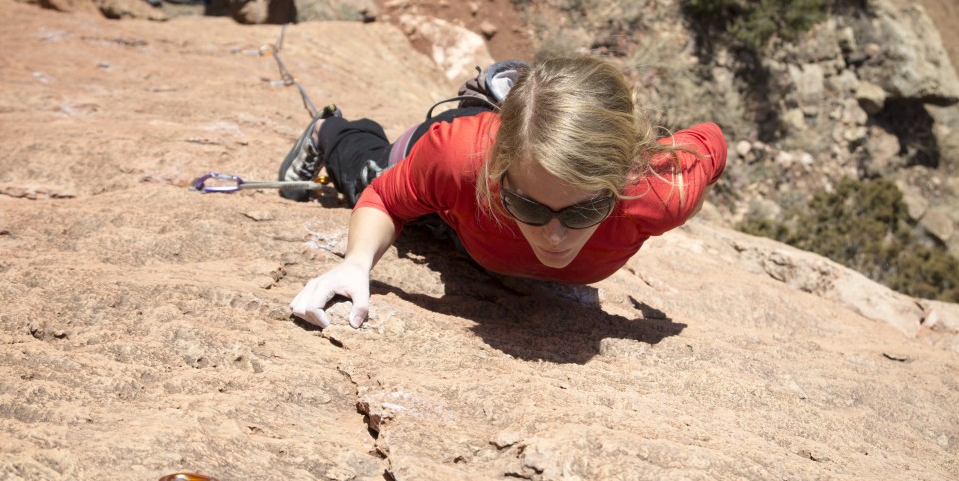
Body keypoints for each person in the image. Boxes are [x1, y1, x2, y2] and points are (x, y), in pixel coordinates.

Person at [281, 56, 727, 329]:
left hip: (478, 214)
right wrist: (356, 264)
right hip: (463, 189)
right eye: (529, 206)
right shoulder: (459, 158)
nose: (555, 235)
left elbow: (713, 142)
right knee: (369, 173)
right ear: (499, 173)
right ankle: (332, 130)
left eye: (583, 211)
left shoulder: (659, 190)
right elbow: (383, 197)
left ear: (618, 184)